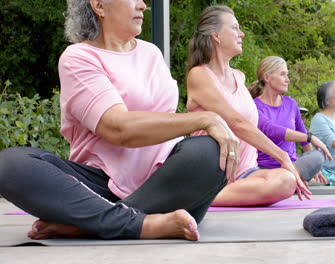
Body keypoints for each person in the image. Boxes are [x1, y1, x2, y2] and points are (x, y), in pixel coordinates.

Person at [0, 0, 240, 242]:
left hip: (166, 186)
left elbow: (166, 124)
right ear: (100, 6)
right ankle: (137, 222)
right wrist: (204, 118)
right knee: (10, 164)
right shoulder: (78, 57)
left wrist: (209, 125)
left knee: (212, 148)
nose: (143, 5)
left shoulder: (151, 53)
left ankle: (96, 223)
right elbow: (118, 128)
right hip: (97, 189)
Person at [186, 5, 312, 207]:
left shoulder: (239, 77)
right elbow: (236, 123)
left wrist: (287, 165)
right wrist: (283, 157)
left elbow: (251, 126)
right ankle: (196, 196)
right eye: (235, 28)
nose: (241, 34)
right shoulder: (200, 75)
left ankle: (207, 196)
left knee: (285, 180)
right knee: (287, 174)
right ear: (216, 35)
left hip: (246, 173)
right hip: (212, 173)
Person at [248, 56, 332, 185]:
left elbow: (303, 134)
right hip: (265, 169)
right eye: (282, 74)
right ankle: (290, 180)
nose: (287, 80)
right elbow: (271, 130)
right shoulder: (254, 106)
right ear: (267, 77)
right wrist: (310, 137)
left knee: (316, 157)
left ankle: (290, 179)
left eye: (287, 75)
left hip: (292, 165)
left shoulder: (291, 104)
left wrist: (313, 168)